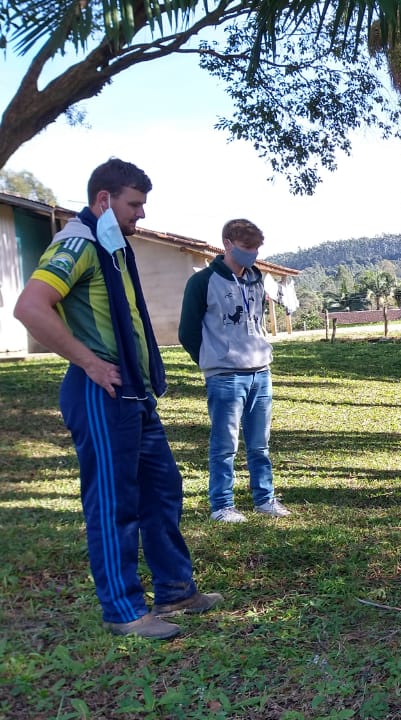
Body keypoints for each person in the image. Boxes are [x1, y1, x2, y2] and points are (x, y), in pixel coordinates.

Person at [12, 158, 222, 640]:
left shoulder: (111, 247)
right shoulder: (77, 243)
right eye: (134, 205)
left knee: (163, 488)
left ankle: (175, 589)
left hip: (133, 394)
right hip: (100, 391)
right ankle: (124, 610)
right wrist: (87, 361)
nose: (140, 215)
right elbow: (30, 307)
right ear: (103, 200)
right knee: (113, 502)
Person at [179, 219, 291, 523]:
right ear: (227, 244)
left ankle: (264, 499)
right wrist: (213, 360)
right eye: (245, 248)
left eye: (255, 249)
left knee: (260, 443)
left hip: (261, 373)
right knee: (225, 445)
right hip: (225, 376)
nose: (251, 254)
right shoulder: (202, 282)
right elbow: (187, 332)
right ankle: (222, 505)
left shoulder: (257, 280)